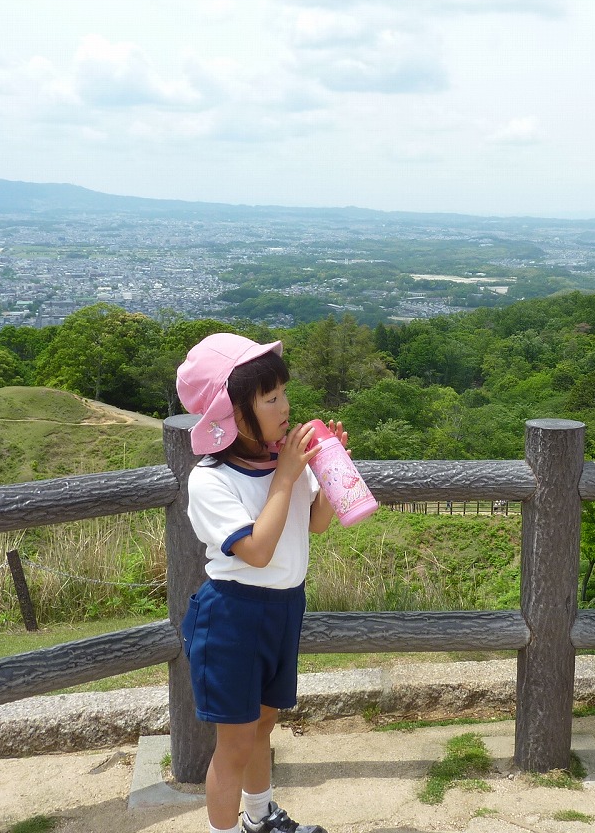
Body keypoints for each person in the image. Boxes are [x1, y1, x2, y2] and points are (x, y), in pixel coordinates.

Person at [176, 333, 342, 833]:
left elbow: (315, 524)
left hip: (284, 607)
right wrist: (287, 478)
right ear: (229, 413)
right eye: (270, 399)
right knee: (235, 743)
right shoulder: (210, 480)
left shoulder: (280, 459)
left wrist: (333, 469)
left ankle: (260, 815)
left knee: (264, 725)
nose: (285, 407)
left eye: (284, 393)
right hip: (232, 616)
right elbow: (257, 550)